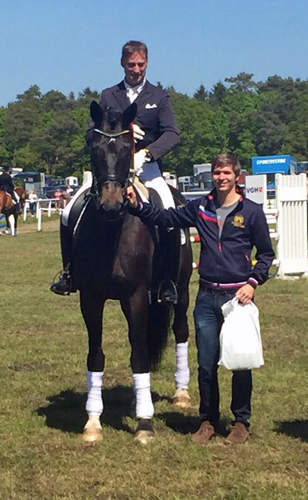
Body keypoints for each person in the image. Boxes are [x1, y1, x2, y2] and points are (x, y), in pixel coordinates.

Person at [126, 153, 275, 444]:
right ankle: (207, 421)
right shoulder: (200, 208)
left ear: (237, 176)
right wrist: (136, 205)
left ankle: (241, 422)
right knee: (206, 365)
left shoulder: (252, 212)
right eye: (217, 173)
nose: (221, 178)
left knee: (240, 364)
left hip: (238, 299)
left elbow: (266, 255)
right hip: (206, 298)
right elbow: (165, 218)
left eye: (227, 173)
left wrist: (253, 283)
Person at [51, 40, 181, 300]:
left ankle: (167, 279)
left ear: (147, 64)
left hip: (147, 169)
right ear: (122, 64)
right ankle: (70, 273)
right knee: (68, 212)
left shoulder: (158, 96)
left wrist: (148, 152)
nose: (136, 69)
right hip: (111, 170)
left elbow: (172, 133)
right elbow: (92, 131)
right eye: (131, 64)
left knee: (169, 213)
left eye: (141, 64)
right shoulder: (109, 95)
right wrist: (120, 131)